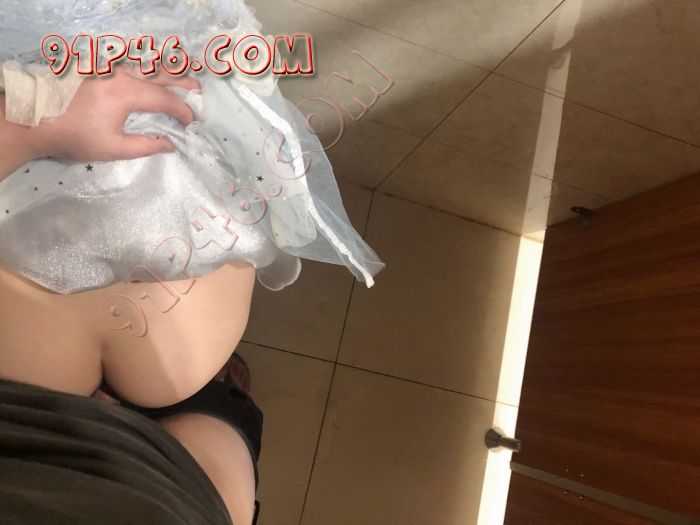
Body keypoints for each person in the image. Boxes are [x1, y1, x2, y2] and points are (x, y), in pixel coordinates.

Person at [0, 1, 384, 523]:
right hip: (111, 410)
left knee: (209, 444)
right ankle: (195, 410)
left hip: (64, 393)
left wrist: (32, 128)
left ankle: (197, 411)